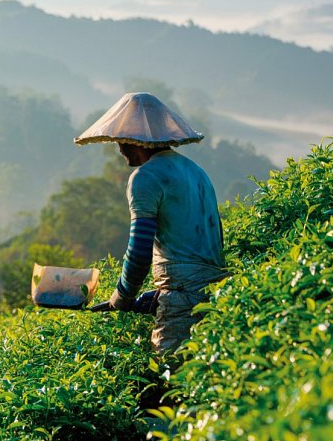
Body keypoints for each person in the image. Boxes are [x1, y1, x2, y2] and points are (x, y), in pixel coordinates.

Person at [75, 92, 227, 352]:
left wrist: (122, 296)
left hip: (182, 297)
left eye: (124, 140)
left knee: (171, 375)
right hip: (218, 291)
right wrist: (158, 295)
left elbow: (140, 250)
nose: (120, 149)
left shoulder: (145, 177)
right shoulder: (196, 172)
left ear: (139, 141)